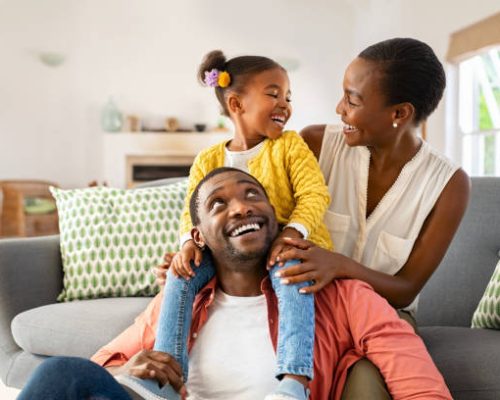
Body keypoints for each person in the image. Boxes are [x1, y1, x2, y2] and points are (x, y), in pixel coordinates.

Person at [19, 167, 453, 400]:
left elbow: (416, 380)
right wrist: (124, 370)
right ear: (199, 234)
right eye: (219, 204)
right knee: (61, 374)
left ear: (275, 216)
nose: (242, 207)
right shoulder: (180, 299)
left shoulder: (339, 293)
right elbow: (103, 366)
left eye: (252, 195)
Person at [265, 37, 470, 398]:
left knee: (365, 383)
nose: (339, 108)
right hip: (309, 309)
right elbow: (258, 215)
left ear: (399, 113)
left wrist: (340, 265)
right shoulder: (313, 145)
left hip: (385, 317)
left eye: (353, 100)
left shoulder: (448, 185)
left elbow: (406, 289)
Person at [141, 50, 333, 400]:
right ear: (236, 103)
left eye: (288, 97)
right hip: (229, 255)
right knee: (179, 275)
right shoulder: (208, 159)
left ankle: (293, 381)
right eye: (274, 94)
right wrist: (188, 244)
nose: (285, 104)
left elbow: (314, 194)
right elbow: (192, 211)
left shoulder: (290, 146)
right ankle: (166, 375)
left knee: (291, 271)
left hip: (286, 245)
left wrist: (291, 234)